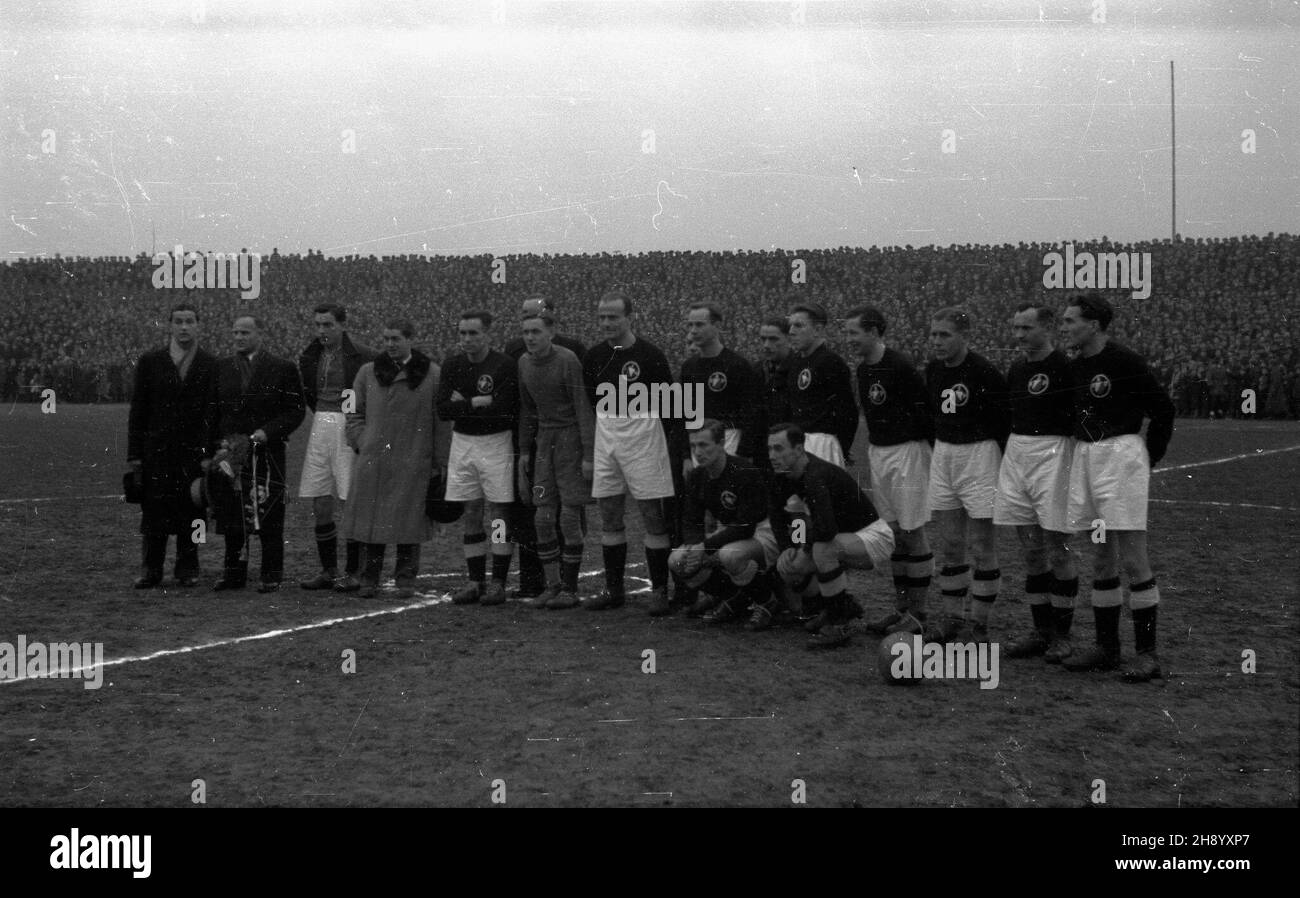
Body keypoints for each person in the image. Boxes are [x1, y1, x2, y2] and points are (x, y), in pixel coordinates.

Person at [1060, 296, 1175, 683]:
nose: (1065, 327)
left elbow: (1163, 409)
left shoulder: (1124, 362)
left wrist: (1148, 457)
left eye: (1071, 321)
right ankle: (1106, 648)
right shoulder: (1075, 367)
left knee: (1132, 558)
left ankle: (1147, 655)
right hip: (1086, 458)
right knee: (1101, 557)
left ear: (1094, 325)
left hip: (1120, 458)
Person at [581, 289, 678, 615]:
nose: (607, 323)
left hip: (644, 438)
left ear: (628, 317)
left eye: (613, 317)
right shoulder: (594, 357)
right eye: (602, 317)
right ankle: (614, 590)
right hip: (607, 436)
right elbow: (594, 401)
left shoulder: (650, 355)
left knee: (652, 517)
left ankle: (660, 591)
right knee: (608, 515)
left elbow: (670, 405)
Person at [993, 305, 1079, 662]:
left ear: (1048, 328)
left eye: (1026, 328)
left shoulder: (1065, 368)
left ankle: (1062, 635)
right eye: (1015, 328)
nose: (1019, 335)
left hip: (1055, 453)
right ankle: (1040, 630)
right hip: (1018, 453)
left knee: (1058, 546)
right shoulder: (1016, 369)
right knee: (1030, 550)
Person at [341, 320, 449, 599]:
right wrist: (362, 440)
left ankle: (405, 579)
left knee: (409, 523)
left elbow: (441, 423)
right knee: (371, 522)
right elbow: (351, 409)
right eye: (386, 338)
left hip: (414, 459)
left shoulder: (432, 374)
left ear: (411, 339)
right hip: (374, 459)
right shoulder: (366, 372)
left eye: (396, 339)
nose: (390, 344)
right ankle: (369, 578)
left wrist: (439, 461)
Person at [843, 306, 934, 637]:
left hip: (907, 452)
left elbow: (924, 412)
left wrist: (918, 452)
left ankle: (919, 612)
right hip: (879, 453)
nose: (849, 339)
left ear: (873, 332)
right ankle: (902, 609)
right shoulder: (864, 370)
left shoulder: (900, 365)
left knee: (913, 531)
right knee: (895, 533)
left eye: (854, 332)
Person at [767, 423, 895, 649]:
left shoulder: (816, 475)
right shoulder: (783, 476)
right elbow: (776, 515)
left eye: (779, 449)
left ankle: (839, 623)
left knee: (822, 549)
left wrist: (804, 549)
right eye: (770, 449)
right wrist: (788, 546)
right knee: (789, 566)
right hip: (845, 538)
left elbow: (826, 529)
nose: (772, 456)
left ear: (798, 450)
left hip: (873, 536)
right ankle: (840, 606)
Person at [924, 307, 1010, 643]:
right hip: (945, 454)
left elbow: (1004, 422)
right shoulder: (932, 370)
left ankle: (979, 624)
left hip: (980, 455)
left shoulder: (984, 372)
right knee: (950, 544)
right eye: (933, 334)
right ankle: (952, 619)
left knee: (981, 545)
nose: (937, 341)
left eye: (944, 335)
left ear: (964, 336)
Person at [207, 314, 305, 593]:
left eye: (245, 333)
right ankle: (234, 573)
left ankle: (271, 573)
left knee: (269, 511)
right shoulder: (221, 367)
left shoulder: (282, 368)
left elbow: (295, 410)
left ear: (260, 334)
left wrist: (269, 431)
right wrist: (214, 448)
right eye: (235, 332)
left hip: (268, 453)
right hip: (231, 454)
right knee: (232, 510)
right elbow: (211, 411)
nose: (239, 337)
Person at [126, 303, 218, 588]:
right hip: (158, 451)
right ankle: (151, 570)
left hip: (192, 452)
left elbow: (211, 414)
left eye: (189, 321)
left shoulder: (209, 363)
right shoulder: (150, 361)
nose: (184, 327)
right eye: (178, 321)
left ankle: (187, 569)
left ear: (198, 325)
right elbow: (138, 410)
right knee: (154, 512)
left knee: (191, 510)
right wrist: (135, 453)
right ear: (169, 326)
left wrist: (208, 453)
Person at [502, 295, 586, 599]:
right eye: (526, 332)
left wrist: (587, 453)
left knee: (569, 515)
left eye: (535, 331)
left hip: (569, 441)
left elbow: (582, 408)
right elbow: (527, 409)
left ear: (550, 330)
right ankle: (551, 585)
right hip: (543, 444)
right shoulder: (522, 361)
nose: (530, 337)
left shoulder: (568, 359)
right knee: (542, 515)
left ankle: (570, 587)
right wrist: (525, 450)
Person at [438, 311, 520, 606]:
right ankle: (475, 581)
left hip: (496, 442)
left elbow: (503, 409)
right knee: (471, 511)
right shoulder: (452, 365)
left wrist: (464, 402)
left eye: (473, 333)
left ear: (487, 334)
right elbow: (443, 410)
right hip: (463, 443)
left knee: (498, 511)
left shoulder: (503, 365)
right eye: (462, 334)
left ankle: (497, 582)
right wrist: (477, 403)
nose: (467, 339)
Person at [297, 303, 376, 592]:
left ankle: (355, 571)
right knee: (319, 499)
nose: (322, 331)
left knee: (349, 499)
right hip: (319, 421)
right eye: (318, 325)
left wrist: (356, 421)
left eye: (328, 325)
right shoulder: (310, 355)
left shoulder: (363, 355)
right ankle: (328, 570)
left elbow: (373, 390)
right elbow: (309, 393)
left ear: (343, 324)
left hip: (348, 422)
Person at [668, 420, 774, 626]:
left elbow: (746, 526)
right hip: (729, 532)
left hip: (762, 533)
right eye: (693, 446)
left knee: (730, 555)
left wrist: (705, 547)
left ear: (722, 443)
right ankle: (734, 597)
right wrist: (693, 546)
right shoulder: (698, 475)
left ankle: (766, 601)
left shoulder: (744, 471)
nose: (697, 452)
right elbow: (690, 520)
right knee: (677, 561)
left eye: (704, 445)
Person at [785, 303, 856, 468]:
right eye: (790, 326)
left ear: (817, 330)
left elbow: (847, 412)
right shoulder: (796, 363)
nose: (791, 331)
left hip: (822, 444)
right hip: (798, 442)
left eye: (798, 325)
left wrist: (842, 448)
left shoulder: (831, 362)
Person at [745, 316, 794, 470]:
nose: (766, 345)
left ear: (788, 338)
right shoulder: (756, 370)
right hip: (762, 452)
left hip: (790, 449)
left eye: (773, 339)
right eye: (763, 339)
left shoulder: (799, 369)